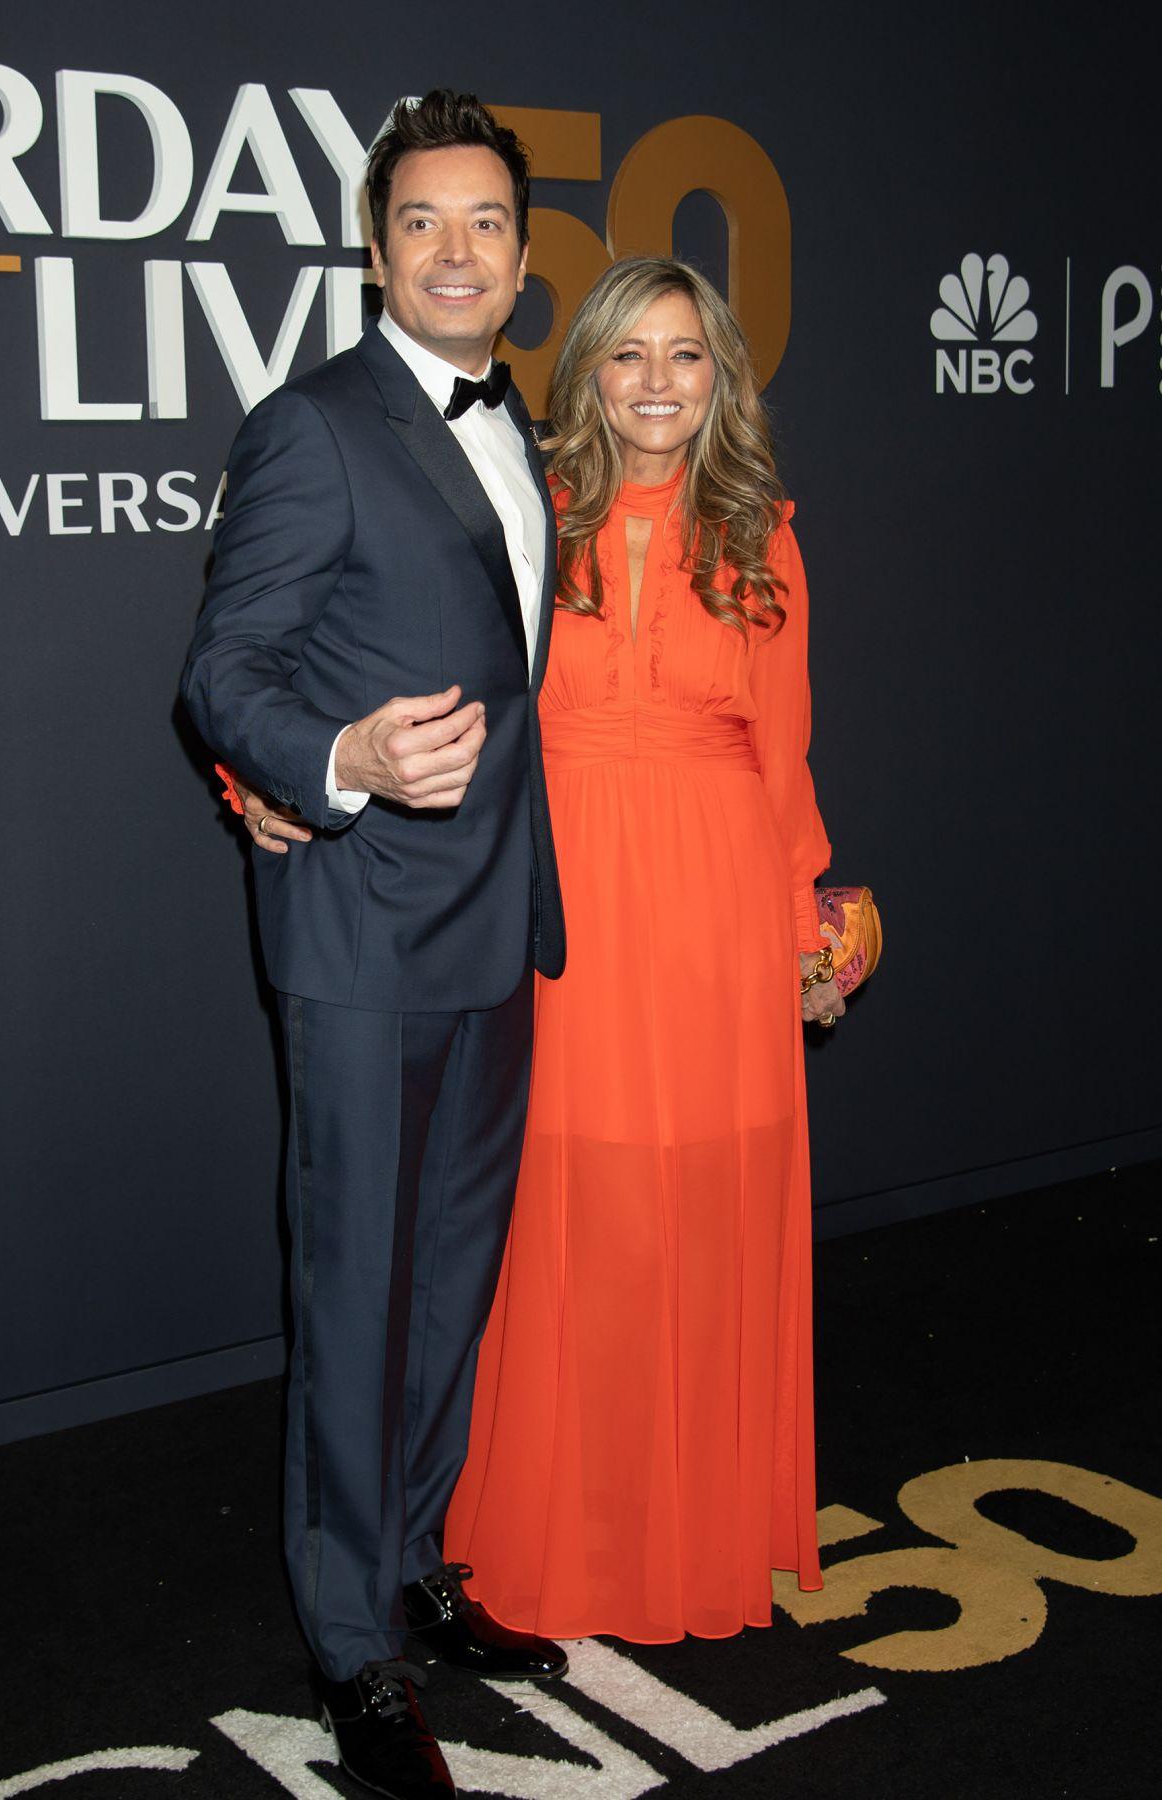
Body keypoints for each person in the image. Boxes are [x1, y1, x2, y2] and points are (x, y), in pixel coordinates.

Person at [233, 258, 842, 1642]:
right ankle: (539, 1539)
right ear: (588, 373)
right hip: (556, 912)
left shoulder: (765, 536)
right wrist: (267, 775)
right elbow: (356, 649)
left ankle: (686, 1536)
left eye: (685, 355)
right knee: (558, 1227)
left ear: (722, 375)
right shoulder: (527, 504)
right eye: (628, 354)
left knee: (700, 1225)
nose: (656, 384)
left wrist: (804, 923)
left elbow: (784, 755)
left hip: (713, 919)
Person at [182, 92, 568, 1800]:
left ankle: (411, 1568)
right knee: (356, 1299)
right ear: (376, 248)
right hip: (361, 936)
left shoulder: (519, 424)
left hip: (494, 931)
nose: (456, 252)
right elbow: (226, 673)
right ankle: (349, 1650)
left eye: (485, 222)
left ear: (524, 254)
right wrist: (331, 763)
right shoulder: (315, 428)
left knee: (449, 1291)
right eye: (423, 221)